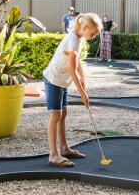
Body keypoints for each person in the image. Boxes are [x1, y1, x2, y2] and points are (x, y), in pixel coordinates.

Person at [43, 13, 102, 167]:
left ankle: (64, 149)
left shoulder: (79, 39)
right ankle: (53, 155)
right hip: (54, 79)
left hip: (62, 81)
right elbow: (71, 68)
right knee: (55, 115)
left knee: (63, 113)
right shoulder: (72, 39)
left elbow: (77, 62)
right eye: (93, 33)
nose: (95, 36)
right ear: (85, 27)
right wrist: (82, 93)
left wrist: (83, 78)